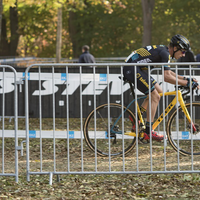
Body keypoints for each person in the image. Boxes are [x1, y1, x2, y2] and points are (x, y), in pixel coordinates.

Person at [123, 34, 199, 141]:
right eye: (182, 51)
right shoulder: (165, 53)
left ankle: (136, 119)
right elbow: (167, 77)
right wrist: (186, 84)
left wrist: (186, 79)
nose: (183, 55)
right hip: (132, 68)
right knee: (155, 96)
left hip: (135, 67)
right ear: (175, 48)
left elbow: (169, 73)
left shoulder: (165, 52)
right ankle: (148, 132)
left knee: (158, 91)